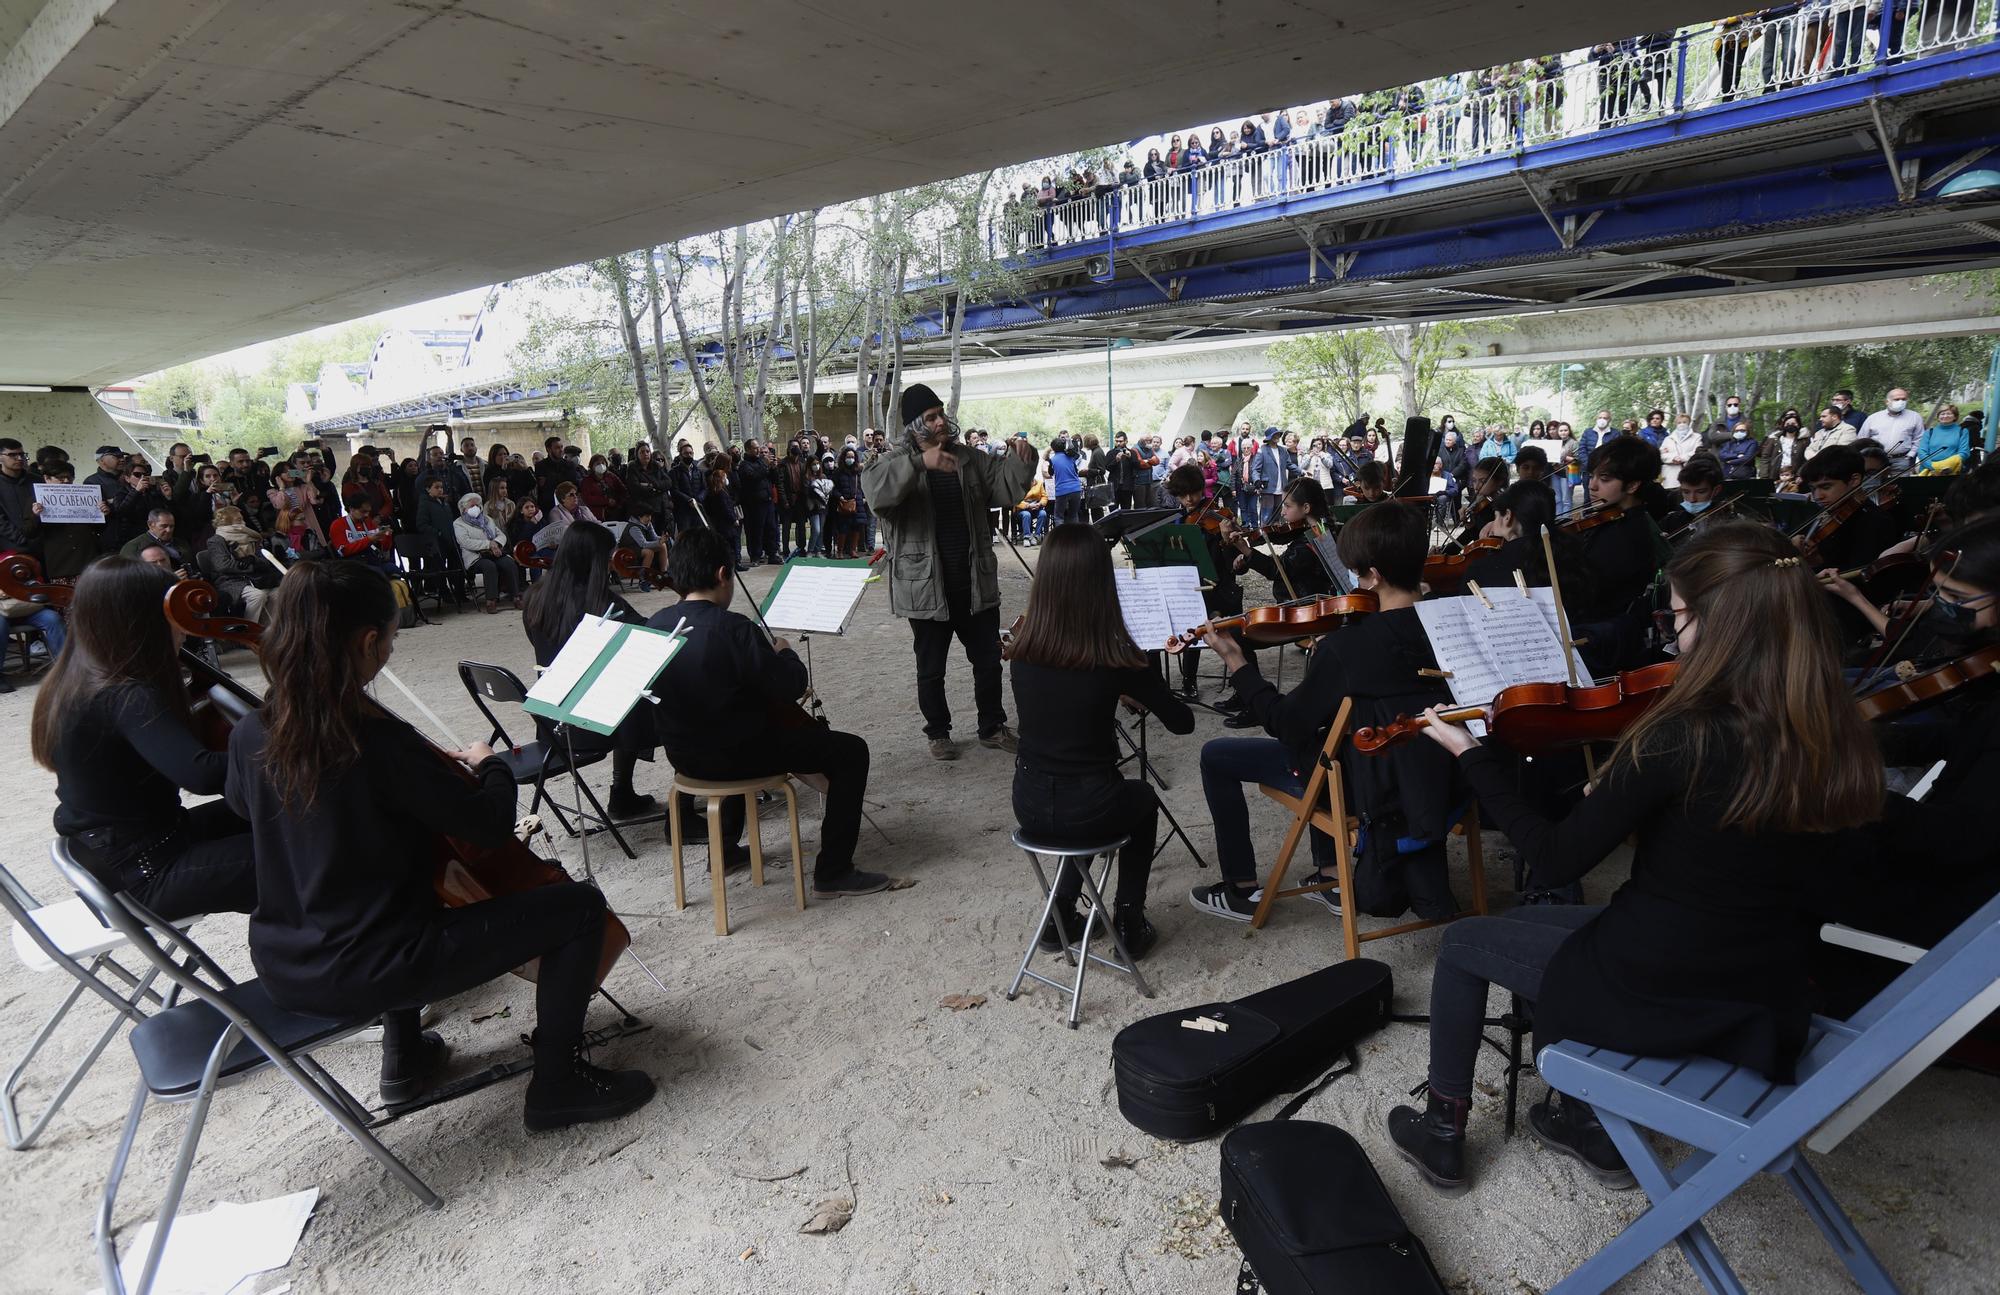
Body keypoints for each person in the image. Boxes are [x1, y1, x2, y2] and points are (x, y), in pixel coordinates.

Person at [1387, 522, 1883, 1194]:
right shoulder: (1833, 727)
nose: (1671, 634)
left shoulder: (1685, 736)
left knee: (1466, 941)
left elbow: (1553, 856)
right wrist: (1633, 800)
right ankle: (1588, 1126)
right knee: (1556, 925)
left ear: (1720, 622)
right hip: (1756, 978)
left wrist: (1472, 755)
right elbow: (1721, 844)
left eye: (1675, 615)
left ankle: (1443, 1131)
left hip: (1660, 984)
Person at [226, 558, 654, 1121]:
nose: (392, 652)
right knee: (579, 907)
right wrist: (492, 766)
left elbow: (242, 806)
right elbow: (490, 826)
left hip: (284, 961)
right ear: (368, 640)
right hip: (373, 966)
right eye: (392, 639)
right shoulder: (377, 743)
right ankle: (559, 1082)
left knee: (403, 891)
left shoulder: (253, 729)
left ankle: (404, 1057)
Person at [1190, 502, 1464, 923]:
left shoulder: (1349, 649)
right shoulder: (1454, 623)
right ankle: (1332, 872)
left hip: (1368, 788)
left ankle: (1240, 890)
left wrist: (1238, 665)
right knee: (1327, 734)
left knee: (1219, 756)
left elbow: (1285, 723)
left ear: (1373, 575)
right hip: (1447, 782)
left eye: (1356, 571)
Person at [646, 527, 890, 896]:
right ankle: (834, 871)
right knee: (852, 751)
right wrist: (784, 652)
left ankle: (725, 851)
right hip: (740, 756)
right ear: (722, 575)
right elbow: (790, 686)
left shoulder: (656, 624)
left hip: (684, 757)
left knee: (725, 725)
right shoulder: (735, 629)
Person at [32, 558, 257, 921]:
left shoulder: (76, 677)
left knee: (286, 811)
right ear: (143, 621)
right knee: (309, 852)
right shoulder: (123, 692)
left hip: (127, 853)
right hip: (146, 872)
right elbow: (201, 775)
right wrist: (277, 738)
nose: (184, 627)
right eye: (173, 614)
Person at [1008, 522, 1195, 955]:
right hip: (1087, 807)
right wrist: (1145, 680)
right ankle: (1129, 920)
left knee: (1089, 802)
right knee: (1140, 799)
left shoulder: (1023, 649)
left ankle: (1060, 916)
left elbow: (1065, 701)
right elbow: (1182, 722)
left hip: (1029, 801)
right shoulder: (1116, 658)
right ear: (1100, 582)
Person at [861, 383, 1037, 761]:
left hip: (973, 579)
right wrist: (920, 464)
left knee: (988, 661)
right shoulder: (891, 462)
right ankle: (938, 733)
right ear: (913, 426)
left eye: (941, 413)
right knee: (931, 667)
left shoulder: (969, 458)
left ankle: (992, 726)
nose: (941, 421)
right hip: (926, 586)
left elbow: (1007, 489)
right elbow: (878, 494)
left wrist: (1023, 459)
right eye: (931, 417)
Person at [522, 523, 658, 819]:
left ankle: (624, 793)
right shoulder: (601, 603)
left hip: (551, 717)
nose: (611, 562)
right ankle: (623, 791)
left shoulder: (534, 596)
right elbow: (648, 637)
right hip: (590, 723)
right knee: (649, 690)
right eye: (606, 556)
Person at [1797, 445, 1900, 573]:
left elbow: (1858, 576)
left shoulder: (1876, 521)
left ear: (1854, 480)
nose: (1817, 496)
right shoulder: (1826, 512)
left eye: (1826, 487)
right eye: (1813, 489)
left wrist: (1816, 562)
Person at [205, 505, 280, 621]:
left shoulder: (250, 537)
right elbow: (222, 565)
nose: (243, 523)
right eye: (239, 520)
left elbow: (265, 560)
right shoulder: (216, 540)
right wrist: (249, 567)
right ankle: (250, 628)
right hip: (230, 581)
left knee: (277, 593)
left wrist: (253, 560)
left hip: (255, 578)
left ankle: (269, 628)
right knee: (257, 596)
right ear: (226, 522)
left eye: (243, 519)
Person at [453, 492, 523, 612]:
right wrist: (488, 544)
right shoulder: (459, 523)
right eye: (472, 506)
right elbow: (465, 542)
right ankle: (491, 601)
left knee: (509, 563)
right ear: (463, 509)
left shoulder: (487, 519)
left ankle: (516, 597)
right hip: (475, 556)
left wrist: (496, 543)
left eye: (477, 505)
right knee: (489, 566)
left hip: (494, 552)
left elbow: (500, 534)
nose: (475, 508)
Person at [1859, 387, 1924, 474]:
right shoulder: (1873, 418)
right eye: (1897, 399)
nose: (1901, 402)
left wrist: (1910, 455)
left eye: (1903, 399)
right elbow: (1862, 439)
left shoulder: (1915, 417)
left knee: (1900, 486)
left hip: (1902, 460)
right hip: (1876, 460)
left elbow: (1919, 438)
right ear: (1887, 402)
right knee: (1873, 485)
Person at [329, 496, 395, 571]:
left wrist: (386, 535)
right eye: (363, 511)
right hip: (352, 566)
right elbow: (343, 551)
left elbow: (385, 549)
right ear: (351, 509)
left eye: (368, 512)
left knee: (393, 569)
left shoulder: (368, 522)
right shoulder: (338, 525)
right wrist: (369, 539)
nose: (367, 515)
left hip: (372, 560)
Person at [1917, 403, 1970, 475]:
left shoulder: (1962, 431)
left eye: (1949, 413)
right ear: (1938, 416)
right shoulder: (1929, 432)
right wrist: (1933, 467)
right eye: (1942, 414)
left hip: (1951, 471)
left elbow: (1964, 453)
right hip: (1928, 471)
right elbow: (1921, 451)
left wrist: (1946, 467)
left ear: (1955, 416)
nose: (1945, 416)